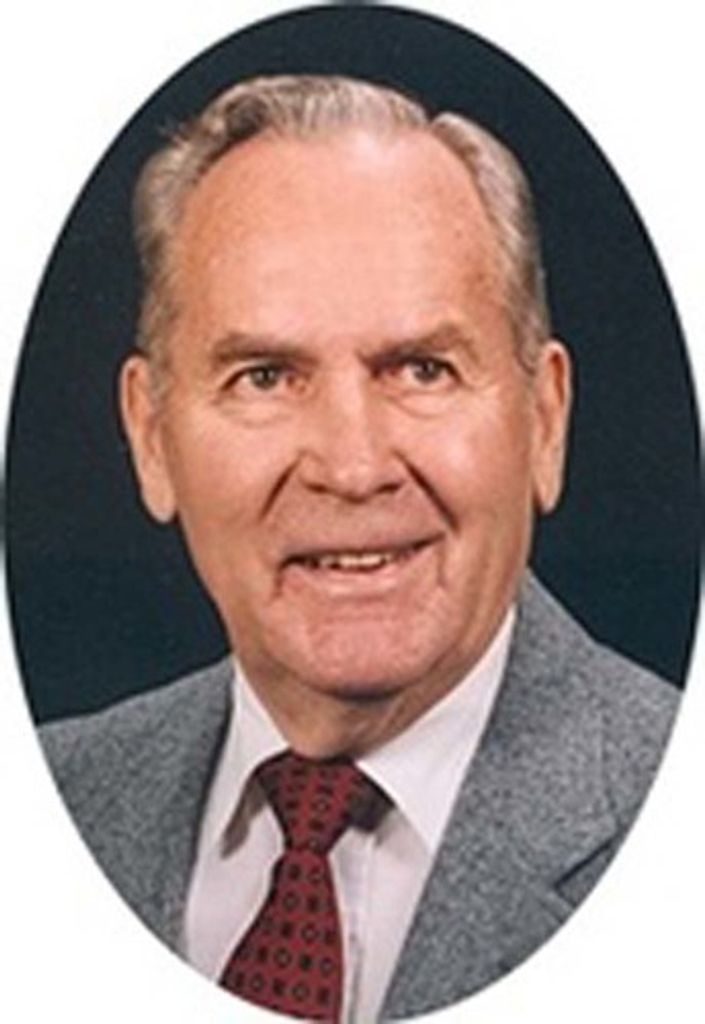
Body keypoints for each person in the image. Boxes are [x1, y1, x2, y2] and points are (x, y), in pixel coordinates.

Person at [40, 75, 678, 1022]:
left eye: (421, 369)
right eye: (265, 377)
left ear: (544, 420)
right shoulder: (49, 798)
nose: (352, 467)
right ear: (151, 438)